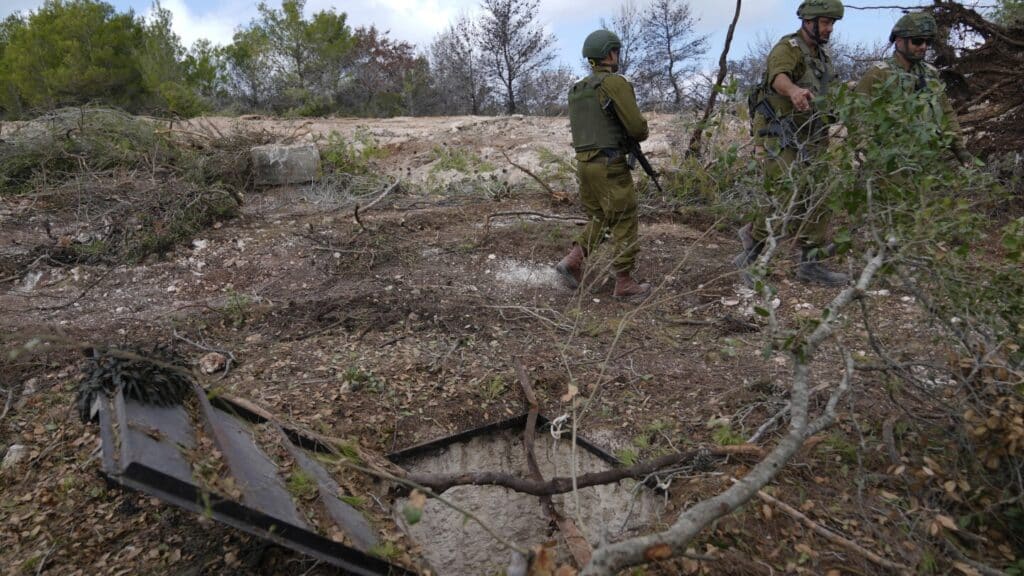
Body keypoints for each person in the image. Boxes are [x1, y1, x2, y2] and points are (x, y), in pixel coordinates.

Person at [736, 0, 849, 287]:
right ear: (809, 21)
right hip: (782, 131)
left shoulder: (822, 57)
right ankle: (751, 257)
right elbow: (778, 78)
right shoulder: (788, 48)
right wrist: (794, 90)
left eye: (832, 23)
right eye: (825, 22)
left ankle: (810, 265)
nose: (829, 29)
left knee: (819, 195)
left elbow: (831, 91)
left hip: (812, 133)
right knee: (782, 196)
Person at [555, 29, 651, 302]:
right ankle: (624, 283)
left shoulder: (577, 90)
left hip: (585, 166)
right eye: (616, 51)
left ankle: (572, 261)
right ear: (610, 54)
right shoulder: (614, 84)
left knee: (601, 217)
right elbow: (637, 128)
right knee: (624, 218)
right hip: (610, 165)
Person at [854, 12, 973, 166]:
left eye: (927, 42)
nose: (923, 47)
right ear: (899, 40)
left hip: (929, 161)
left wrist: (960, 149)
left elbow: (946, 113)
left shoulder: (930, 74)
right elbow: (858, 114)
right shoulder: (879, 74)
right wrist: (868, 153)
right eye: (917, 41)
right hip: (890, 163)